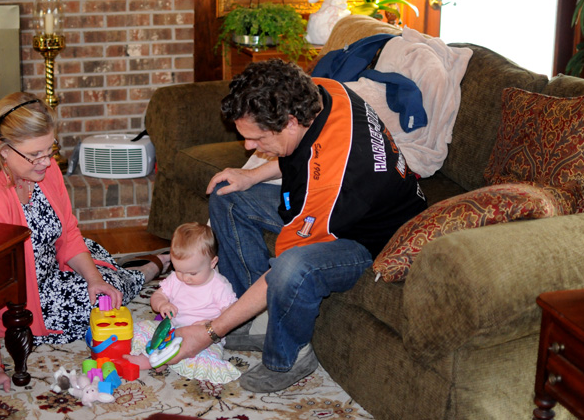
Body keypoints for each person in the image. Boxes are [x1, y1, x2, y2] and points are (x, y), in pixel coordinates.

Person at [168, 59, 428, 393]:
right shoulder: (323, 92)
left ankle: (289, 357)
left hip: (372, 239)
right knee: (227, 195)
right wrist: (250, 175)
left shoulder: (332, 186)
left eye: (256, 138)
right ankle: (251, 319)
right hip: (341, 201)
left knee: (292, 267)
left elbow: (279, 270)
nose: (248, 146)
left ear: (289, 122)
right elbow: (303, 153)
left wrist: (209, 331)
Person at [0, 92, 170, 400]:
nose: (47, 162)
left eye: (50, 149)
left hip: (53, 265)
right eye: (35, 155)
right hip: (20, 298)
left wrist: (93, 279)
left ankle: (124, 270)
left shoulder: (42, 168)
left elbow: (68, 231)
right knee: (108, 301)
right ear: (3, 150)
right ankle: (149, 268)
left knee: (101, 281)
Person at [124, 222, 240, 383]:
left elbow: (231, 314)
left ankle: (163, 359)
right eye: (178, 270)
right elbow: (157, 295)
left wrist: (210, 324)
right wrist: (162, 304)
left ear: (212, 263)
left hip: (203, 338)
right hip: (172, 329)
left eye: (192, 273)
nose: (185, 278)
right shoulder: (175, 279)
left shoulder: (219, 286)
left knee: (205, 357)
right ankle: (156, 357)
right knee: (142, 330)